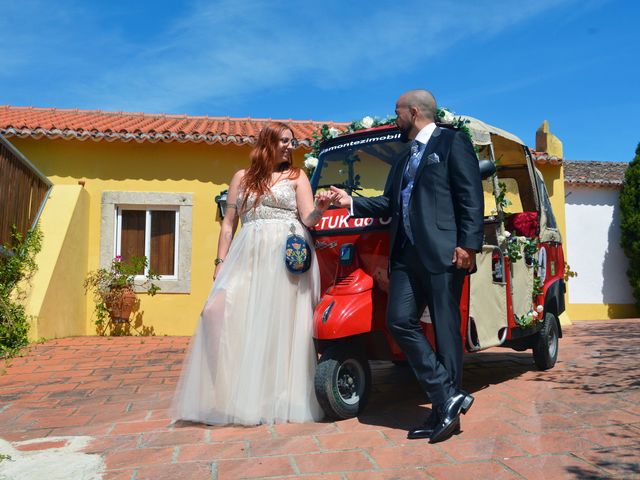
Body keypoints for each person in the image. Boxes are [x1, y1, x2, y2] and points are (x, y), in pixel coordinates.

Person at [330, 89, 484, 443]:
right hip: (405, 256)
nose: (394, 118)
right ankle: (448, 396)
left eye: (397, 112)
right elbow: (388, 202)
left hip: (445, 253)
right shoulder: (403, 158)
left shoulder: (451, 143)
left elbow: (469, 194)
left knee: (446, 333)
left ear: (413, 112)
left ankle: (442, 412)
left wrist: (468, 244)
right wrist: (349, 200)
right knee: (398, 322)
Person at [172, 122, 333, 425]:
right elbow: (228, 223)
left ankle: (277, 398)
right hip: (247, 255)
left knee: (280, 325)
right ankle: (226, 393)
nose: (289, 146)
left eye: (292, 142)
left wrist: (321, 209)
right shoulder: (241, 178)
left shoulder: (297, 176)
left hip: (288, 256)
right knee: (215, 312)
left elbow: (309, 219)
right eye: (284, 141)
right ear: (268, 142)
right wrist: (219, 264)